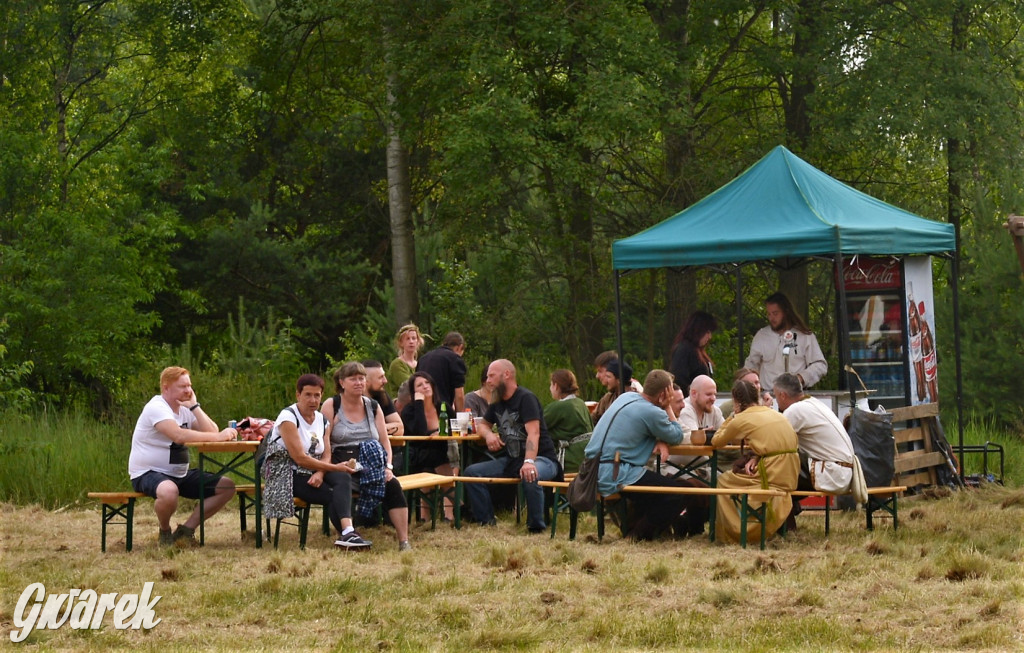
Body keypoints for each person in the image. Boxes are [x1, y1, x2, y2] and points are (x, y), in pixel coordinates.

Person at [261, 373, 381, 549]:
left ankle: (348, 534)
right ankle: (348, 535)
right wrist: (333, 467)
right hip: (286, 472)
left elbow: (326, 452)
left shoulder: (322, 420)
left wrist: (321, 472)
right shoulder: (288, 417)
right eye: (308, 394)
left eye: (317, 395)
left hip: (311, 469)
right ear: (298, 395)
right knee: (333, 495)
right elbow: (299, 458)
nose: (313, 400)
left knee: (342, 478)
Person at [584, 369, 705, 540]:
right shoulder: (652, 412)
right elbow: (677, 436)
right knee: (677, 494)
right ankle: (636, 536)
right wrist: (667, 407)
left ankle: (654, 530)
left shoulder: (626, 397)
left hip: (592, 468)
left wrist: (657, 439)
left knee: (664, 489)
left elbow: (636, 427)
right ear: (665, 393)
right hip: (616, 472)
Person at [129, 366, 239, 546]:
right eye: (182, 386)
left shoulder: (185, 407)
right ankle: (165, 531)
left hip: (179, 474)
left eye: (189, 386)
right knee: (169, 491)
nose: (188, 390)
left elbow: (212, 430)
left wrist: (195, 406)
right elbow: (178, 435)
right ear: (166, 388)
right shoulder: (156, 407)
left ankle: (186, 531)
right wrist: (218, 437)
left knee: (227, 486)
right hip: (148, 472)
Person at [320, 364, 411, 550]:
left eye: (361, 378)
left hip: (372, 462)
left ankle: (404, 541)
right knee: (341, 482)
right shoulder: (332, 405)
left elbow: (385, 443)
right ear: (342, 382)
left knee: (393, 484)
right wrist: (326, 467)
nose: (358, 382)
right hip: (340, 462)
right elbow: (324, 441)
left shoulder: (373, 406)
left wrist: (388, 467)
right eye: (353, 379)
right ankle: (348, 534)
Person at [464, 359, 560, 532]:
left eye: (492, 376)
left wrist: (529, 462)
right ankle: (486, 522)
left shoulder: (525, 398)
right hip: (512, 460)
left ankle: (536, 527)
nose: (488, 381)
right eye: (487, 377)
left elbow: (534, 433)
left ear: (506, 374)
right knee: (472, 473)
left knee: (531, 474)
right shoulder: (497, 402)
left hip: (542, 459)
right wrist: (489, 435)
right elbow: (482, 425)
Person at [710, 379, 799, 544]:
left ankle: (735, 533)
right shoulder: (772, 413)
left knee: (723, 480)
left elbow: (716, 441)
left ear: (736, 401)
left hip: (772, 471)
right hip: (790, 470)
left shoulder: (741, 418)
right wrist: (756, 457)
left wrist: (731, 417)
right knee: (740, 477)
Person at [773, 372, 859, 530]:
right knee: (785, 462)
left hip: (832, 473)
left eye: (776, 396)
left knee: (775, 470)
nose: (775, 400)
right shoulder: (814, 403)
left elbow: (773, 441)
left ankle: (785, 526)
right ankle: (789, 514)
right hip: (844, 472)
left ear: (782, 395)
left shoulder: (795, 410)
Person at [398, 370, 458, 520]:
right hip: (416, 456)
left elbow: (454, 427)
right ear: (413, 392)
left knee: (436, 455)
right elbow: (420, 433)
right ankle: (459, 505)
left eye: (427, 382)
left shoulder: (442, 406)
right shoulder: (409, 411)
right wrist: (419, 403)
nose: (425, 386)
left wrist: (442, 433)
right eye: (419, 385)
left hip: (440, 454)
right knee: (433, 455)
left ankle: (426, 516)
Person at [744, 291, 828, 391]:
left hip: (796, 395)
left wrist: (801, 378)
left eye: (775, 313)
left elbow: (820, 365)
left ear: (786, 312)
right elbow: (751, 365)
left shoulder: (804, 336)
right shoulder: (761, 336)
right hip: (768, 396)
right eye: (769, 314)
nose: (771, 318)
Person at [543, 369, 594, 474]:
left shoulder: (559, 407)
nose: (550, 388)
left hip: (571, 460)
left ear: (556, 386)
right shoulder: (581, 403)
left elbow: (536, 427)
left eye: (551, 385)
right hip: (589, 457)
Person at [416, 331, 467, 412]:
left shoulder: (423, 358)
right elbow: (459, 395)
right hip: (442, 408)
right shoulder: (455, 359)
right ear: (459, 347)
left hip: (422, 407)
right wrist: (459, 417)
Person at [669, 310, 718, 394]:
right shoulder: (684, 350)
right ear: (698, 330)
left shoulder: (696, 351)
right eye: (707, 332)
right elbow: (679, 380)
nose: (710, 337)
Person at [592, 351, 643, 423]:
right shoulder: (609, 397)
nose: (597, 376)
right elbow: (593, 418)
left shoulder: (635, 395)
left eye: (600, 371)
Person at [362, 359, 404, 437]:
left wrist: (370, 430)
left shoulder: (381, 396)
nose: (385, 381)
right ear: (366, 381)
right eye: (380, 377)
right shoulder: (350, 399)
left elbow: (400, 428)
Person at [387, 323, 424, 400]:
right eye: (407, 339)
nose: (411, 341)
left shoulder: (420, 364)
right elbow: (409, 386)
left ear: (418, 342)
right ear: (401, 343)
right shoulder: (397, 364)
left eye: (414, 338)